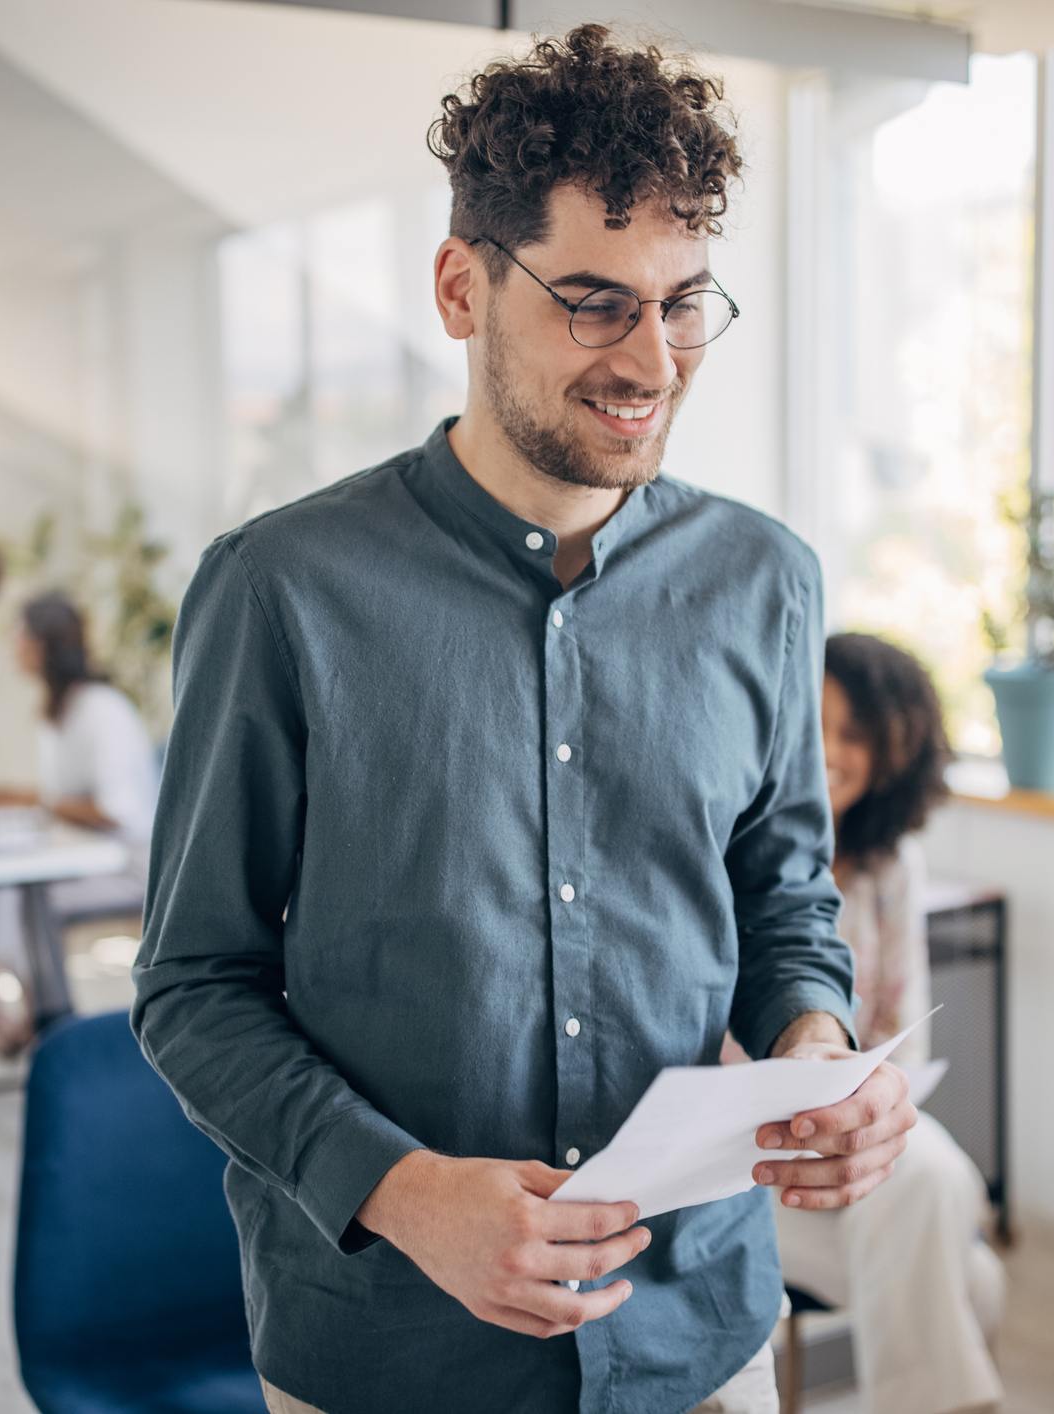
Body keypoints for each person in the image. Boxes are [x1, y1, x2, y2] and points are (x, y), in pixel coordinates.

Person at [131, 27, 916, 1414]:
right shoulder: (278, 590)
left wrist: (811, 1046)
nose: (653, 362)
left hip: (702, 1336)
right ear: (460, 285)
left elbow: (782, 899)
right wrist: (408, 1190)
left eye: (683, 303)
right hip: (390, 1353)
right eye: (594, 301)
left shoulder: (767, 580)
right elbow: (194, 990)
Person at [773, 632, 1006, 1414]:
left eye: (855, 735)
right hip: (762, 1160)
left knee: (939, 1217)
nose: (829, 752)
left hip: (865, 1146)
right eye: (817, 724)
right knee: (970, 1273)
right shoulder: (743, 858)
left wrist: (856, 1117)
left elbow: (906, 1045)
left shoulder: (890, 867)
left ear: (893, 752)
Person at [0, 591, 157, 1055]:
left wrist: (32, 802)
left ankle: (47, 1019)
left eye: (20, 636)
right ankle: (8, 1008)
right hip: (86, 854)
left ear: (45, 645)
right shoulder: (56, 712)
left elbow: (115, 811)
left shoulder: (101, 710)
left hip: (128, 864)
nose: (13, 646)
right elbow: (59, 800)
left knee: (28, 892)